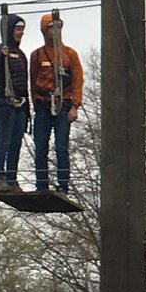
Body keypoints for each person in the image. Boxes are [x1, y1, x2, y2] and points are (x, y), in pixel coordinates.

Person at [29, 13, 84, 194]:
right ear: (45, 30)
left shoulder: (70, 54)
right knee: (41, 148)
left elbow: (77, 80)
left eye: (58, 27)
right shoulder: (37, 55)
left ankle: (63, 185)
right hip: (43, 105)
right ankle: (41, 185)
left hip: (64, 104)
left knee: (61, 147)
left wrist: (75, 105)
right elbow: (33, 80)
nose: (55, 31)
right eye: (51, 27)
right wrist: (35, 102)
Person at [0, 13, 29, 194]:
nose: (20, 32)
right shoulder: (1, 50)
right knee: (4, 140)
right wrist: (1, 58)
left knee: (15, 143)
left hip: (19, 102)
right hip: (4, 100)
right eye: (18, 29)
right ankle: (0, 177)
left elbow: (23, 83)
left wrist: (27, 109)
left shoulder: (20, 54)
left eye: (22, 29)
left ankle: (12, 179)